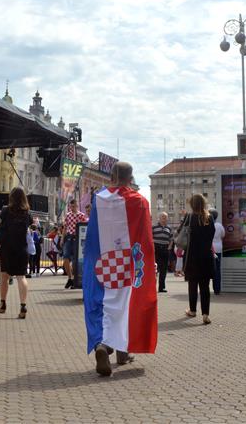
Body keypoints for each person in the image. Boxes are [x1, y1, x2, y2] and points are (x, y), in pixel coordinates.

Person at [83, 161, 157, 377]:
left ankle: (103, 347)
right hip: (129, 265)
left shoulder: (98, 199)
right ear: (131, 177)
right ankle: (122, 351)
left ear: (111, 176)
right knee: (127, 305)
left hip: (103, 264)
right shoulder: (140, 202)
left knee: (103, 304)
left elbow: (92, 236)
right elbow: (145, 240)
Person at [0, 187, 32, 318]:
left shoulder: (5, 211)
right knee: (21, 277)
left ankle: (3, 304)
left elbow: (0, 227)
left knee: (5, 276)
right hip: (22, 248)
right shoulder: (27, 213)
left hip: (7, 248)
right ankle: (23, 306)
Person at [183, 194, 216, 324]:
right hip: (206, 256)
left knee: (192, 284)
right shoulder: (209, 218)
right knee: (205, 287)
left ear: (192, 204)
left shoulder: (189, 217)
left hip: (191, 256)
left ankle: (192, 310)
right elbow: (211, 236)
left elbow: (180, 234)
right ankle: (206, 315)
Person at [62, 199, 87, 289]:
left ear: (77, 205)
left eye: (74, 206)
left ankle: (75, 279)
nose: (72, 208)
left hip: (77, 239)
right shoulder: (68, 215)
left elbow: (84, 227)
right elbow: (65, 227)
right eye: (71, 206)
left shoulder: (81, 215)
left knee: (76, 260)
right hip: (69, 237)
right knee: (65, 258)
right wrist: (62, 239)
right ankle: (70, 277)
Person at [152, 212, 173, 293]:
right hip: (156, 249)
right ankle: (152, 287)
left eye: (165, 217)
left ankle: (161, 287)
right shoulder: (154, 227)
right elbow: (150, 237)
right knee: (155, 269)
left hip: (165, 249)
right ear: (159, 218)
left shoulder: (169, 228)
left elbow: (171, 239)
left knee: (164, 269)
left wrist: (170, 247)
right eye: (163, 217)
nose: (164, 218)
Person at [210, 209, 225, 295]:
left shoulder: (206, 224)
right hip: (218, 249)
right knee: (217, 269)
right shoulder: (219, 225)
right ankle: (217, 289)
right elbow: (223, 235)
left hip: (209, 249)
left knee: (207, 269)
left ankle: (205, 288)